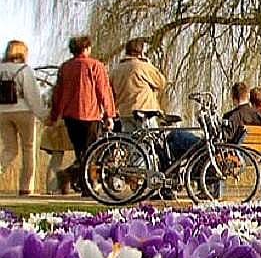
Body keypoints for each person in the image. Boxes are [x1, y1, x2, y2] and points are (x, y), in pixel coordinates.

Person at [48, 36, 117, 195]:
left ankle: (70, 177)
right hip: (90, 114)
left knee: (81, 151)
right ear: (86, 49)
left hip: (70, 115)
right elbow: (103, 91)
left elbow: (57, 93)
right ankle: (85, 184)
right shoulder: (95, 66)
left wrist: (54, 115)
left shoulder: (65, 67)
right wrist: (109, 114)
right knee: (91, 151)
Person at [0, 40, 48, 196]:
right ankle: (26, 187)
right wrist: (43, 115)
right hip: (23, 111)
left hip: (2, 112)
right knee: (28, 148)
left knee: (9, 149)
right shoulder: (24, 70)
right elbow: (32, 95)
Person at [109, 39, 167, 132]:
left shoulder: (116, 70)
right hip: (144, 111)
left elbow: (111, 91)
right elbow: (161, 82)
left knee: (131, 141)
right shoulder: (142, 66)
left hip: (124, 112)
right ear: (140, 52)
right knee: (152, 140)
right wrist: (148, 62)